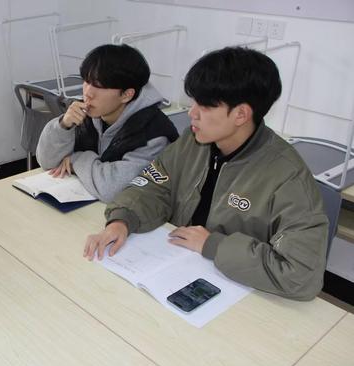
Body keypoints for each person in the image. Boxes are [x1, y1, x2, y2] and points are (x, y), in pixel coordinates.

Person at [84, 46, 329, 301]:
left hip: (239, 297)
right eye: (194, 102)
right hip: (173, 270)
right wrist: (123, 220)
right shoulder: (193, 141)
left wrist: (214, 245)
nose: (192, 112)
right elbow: (154, 185)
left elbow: (301, 276)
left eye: (205, 105)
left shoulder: (287, 177)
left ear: (241, 114)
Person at [36, 44, 178, 202]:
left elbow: (112, 189)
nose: (88, 93)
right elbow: (47, 162)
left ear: (126, 95)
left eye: (99, 86)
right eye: (86, 81)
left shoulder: (153, 134)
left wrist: (76, 159)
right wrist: (63, 125)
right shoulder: (89, 112)